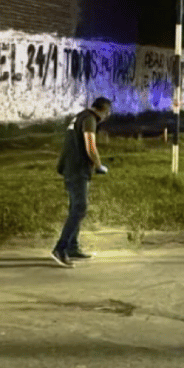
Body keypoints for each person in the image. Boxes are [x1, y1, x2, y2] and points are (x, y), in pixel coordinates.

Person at [52, 97, 112, 268]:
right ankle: (60, 248)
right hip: (77, 169)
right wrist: (99, 165)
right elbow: (90, 145)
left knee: (75, 207)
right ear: (104, 110)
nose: (106, 116)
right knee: (80, 207)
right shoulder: (89, 119)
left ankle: (72, 247)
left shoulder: (80, 116)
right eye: (107, 113)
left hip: (70, 167)